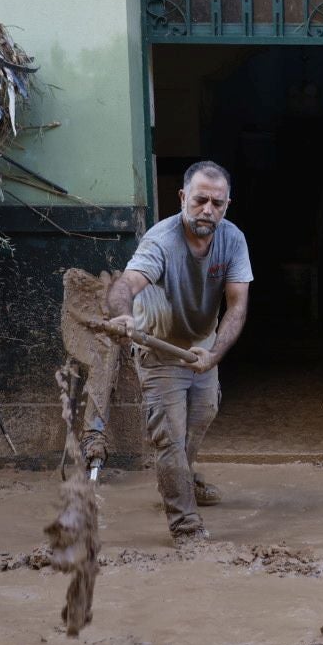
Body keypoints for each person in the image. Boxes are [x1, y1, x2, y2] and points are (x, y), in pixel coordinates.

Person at [105, 161, 252, 544]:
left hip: (202, 351)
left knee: (200, 419)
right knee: (169, 436)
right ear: (184, 198)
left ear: (227, 204)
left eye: (217, 203)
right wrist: (122, 314)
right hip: (160, 350)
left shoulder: (232, 240)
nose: (208, 210)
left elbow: (236, 306)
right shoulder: (161, 240)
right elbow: (127, 284)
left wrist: (214, 354)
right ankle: (185, 526)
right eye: (200, 200)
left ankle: (180, 479)